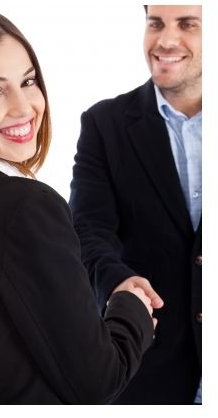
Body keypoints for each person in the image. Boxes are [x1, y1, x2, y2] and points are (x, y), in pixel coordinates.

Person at [0, 8, 164, 405]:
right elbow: (97, 382)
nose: (24, 107)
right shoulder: (24, 209)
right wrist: (131, 308)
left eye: (27, 81)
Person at [70, 5, 201, 405]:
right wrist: (115, 281)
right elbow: (87, 230)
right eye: (155, 23)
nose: (165, 40)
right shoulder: (104, 124)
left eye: (188, 24)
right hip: (150, 373)